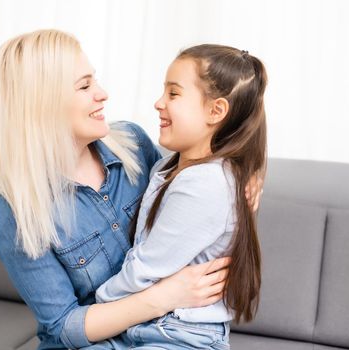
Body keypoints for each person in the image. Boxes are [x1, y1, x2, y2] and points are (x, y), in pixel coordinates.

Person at [0, 30, 261, 349]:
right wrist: (163, 296)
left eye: (95, 81)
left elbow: (190, 200)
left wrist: (246, 180)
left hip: (165, 334)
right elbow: (63, 327)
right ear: (41, 103)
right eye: (85, 86)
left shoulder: (133, 145)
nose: (102, 94)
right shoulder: (17, 212)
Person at [91, 44, 267, 349]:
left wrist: (94, 310)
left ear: (216, 111)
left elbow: (146, 268)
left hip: (180, 336)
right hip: (144, 326)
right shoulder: (168, 165)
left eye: (173, 93)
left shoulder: (206, 183)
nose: (159, 103)